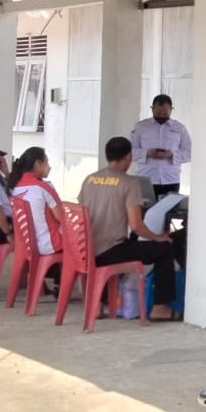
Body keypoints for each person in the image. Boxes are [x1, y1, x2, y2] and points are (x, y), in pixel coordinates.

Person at [77, 136, 177, 320]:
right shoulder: (129, 183)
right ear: (128, 157)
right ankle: (160, 308)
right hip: (110, 251)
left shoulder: (89, 179)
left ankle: (98, 305)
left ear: (107, 156)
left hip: (86, 251)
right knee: (164, 249)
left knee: (130, 242)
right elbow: (136, 226)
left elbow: (82, 211)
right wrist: (157, 237)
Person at [129, 94, 192, 198]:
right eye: (158, 113)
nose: (161, 116)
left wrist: (172, 155)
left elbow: (189, 153)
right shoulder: (140, 127)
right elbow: (130, 152)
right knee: (146, 207)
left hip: (171, 179)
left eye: (165, 113)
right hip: (146, 178)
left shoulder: (180, 128)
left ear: (171, 110)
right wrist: (147, 153)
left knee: (169, 208)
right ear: (152, 109)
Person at [9, 146, 63, 257]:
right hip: (49, 245)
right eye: (47, 162)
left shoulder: (15, 187)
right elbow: (62, 217)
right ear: (38, 163)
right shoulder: (43, 187)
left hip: (26, 244)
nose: (49, 167)